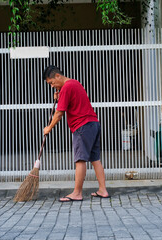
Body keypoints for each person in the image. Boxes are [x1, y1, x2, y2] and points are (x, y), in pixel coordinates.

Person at [43, 65, 110, 202]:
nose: (51, 86)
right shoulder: (74, 83)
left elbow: (59, 113)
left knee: (80, 160)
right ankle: (103, 190)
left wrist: (49, 127)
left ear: (58, 76)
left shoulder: (67, 87)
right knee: (95, 159)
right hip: (93, 124)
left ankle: (77, 193)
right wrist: (60, 93)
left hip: (82, 126)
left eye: (51, 83)